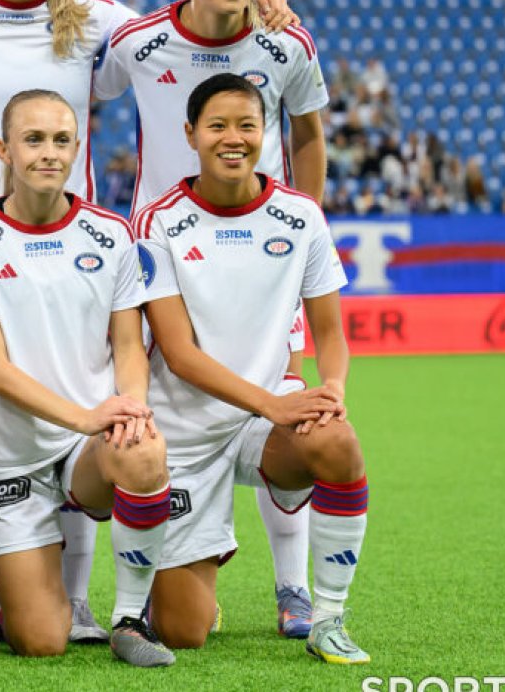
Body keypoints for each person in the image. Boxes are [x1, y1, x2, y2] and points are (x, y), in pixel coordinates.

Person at [0, 0, 298, 642]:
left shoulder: (98, 22)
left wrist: (251, 2)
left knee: (88, 414)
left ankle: (79, 598)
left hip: (74, 257)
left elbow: (190, 29)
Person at [96, 0, 329, 637]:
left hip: (261, 269)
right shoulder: (139, 43)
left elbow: (310, 134)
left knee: (288, 406)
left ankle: (294, 590)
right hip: (167, 270)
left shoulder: (285, 43)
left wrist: (297, 239)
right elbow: (79, 87)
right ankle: (161, 571)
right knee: (167, 418)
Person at [132, 74, 370, 664]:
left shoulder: (300, 216)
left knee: (337, 441)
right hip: (184, 432)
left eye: (248, 125)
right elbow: (180, 355)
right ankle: (190, 582)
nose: (233, 138)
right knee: (183, 631)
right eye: (217, 126)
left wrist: (332, 387)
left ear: (267, 133)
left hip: (265, 423)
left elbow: (331, 333)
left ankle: (329, 618)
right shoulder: (158, 222)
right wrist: (274, 403)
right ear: (190, 134)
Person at [0, 90, 173, 667]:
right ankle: (12, 587)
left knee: (144, 451)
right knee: (42, 642)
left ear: (78, 148)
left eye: (61, 140)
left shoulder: (112, 234)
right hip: (9, 454)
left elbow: (128, 342)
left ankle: (127, 618)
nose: (49, 153)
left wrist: (131, 407)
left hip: (86, 447)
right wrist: (86, 415)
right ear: (4, 149)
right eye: (33, 140)